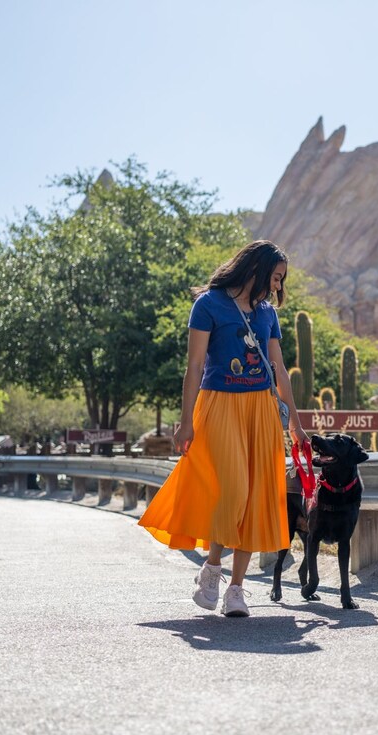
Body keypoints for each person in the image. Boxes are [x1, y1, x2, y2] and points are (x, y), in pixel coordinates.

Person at [138, 240, 307, 617]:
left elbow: (279, 369)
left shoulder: (267, 313)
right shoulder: (209, 304)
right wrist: (185, 421)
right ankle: (213, 568)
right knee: (233, 491)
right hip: (219, 404)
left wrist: (295, 422)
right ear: (256, 269)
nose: (278, 287)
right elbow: (195, 366)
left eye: (282, 280)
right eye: (276, 278)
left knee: (257, 496)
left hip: (261, 408)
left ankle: (237, 589)